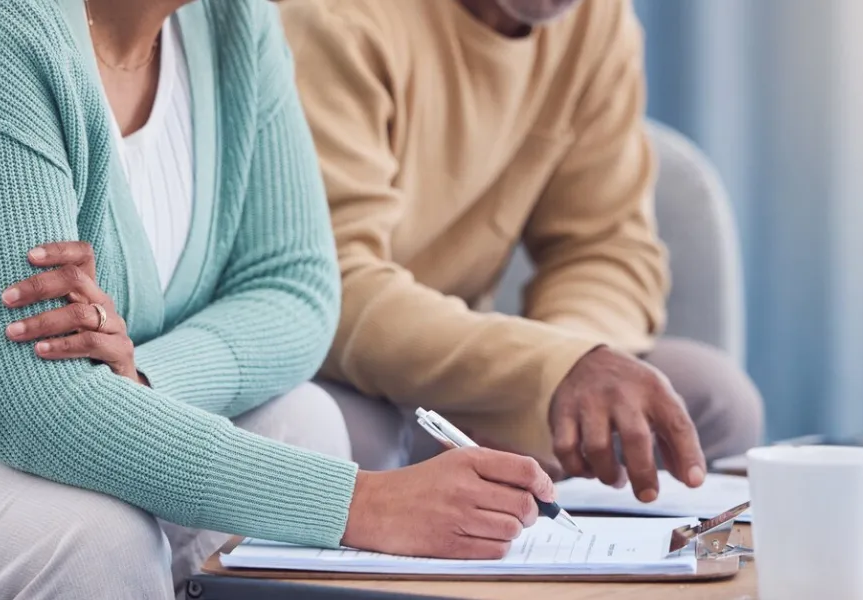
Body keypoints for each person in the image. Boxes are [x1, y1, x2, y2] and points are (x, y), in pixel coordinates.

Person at [0, 0, 558, 597]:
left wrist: (143, 379)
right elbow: (32, 405)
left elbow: (295, 289)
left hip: (3, 426)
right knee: (93, 544)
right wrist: (361, 505)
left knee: (303, 420)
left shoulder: (233, 20)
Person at [280, 0, 765, 498]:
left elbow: (604, 246)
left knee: (714, 400)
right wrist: (548, 373)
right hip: (338, 370)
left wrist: (562, 390)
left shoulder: (595, 18)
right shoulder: (336, 19)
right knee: (345, 437)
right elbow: (332, 290)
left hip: (473, 368)